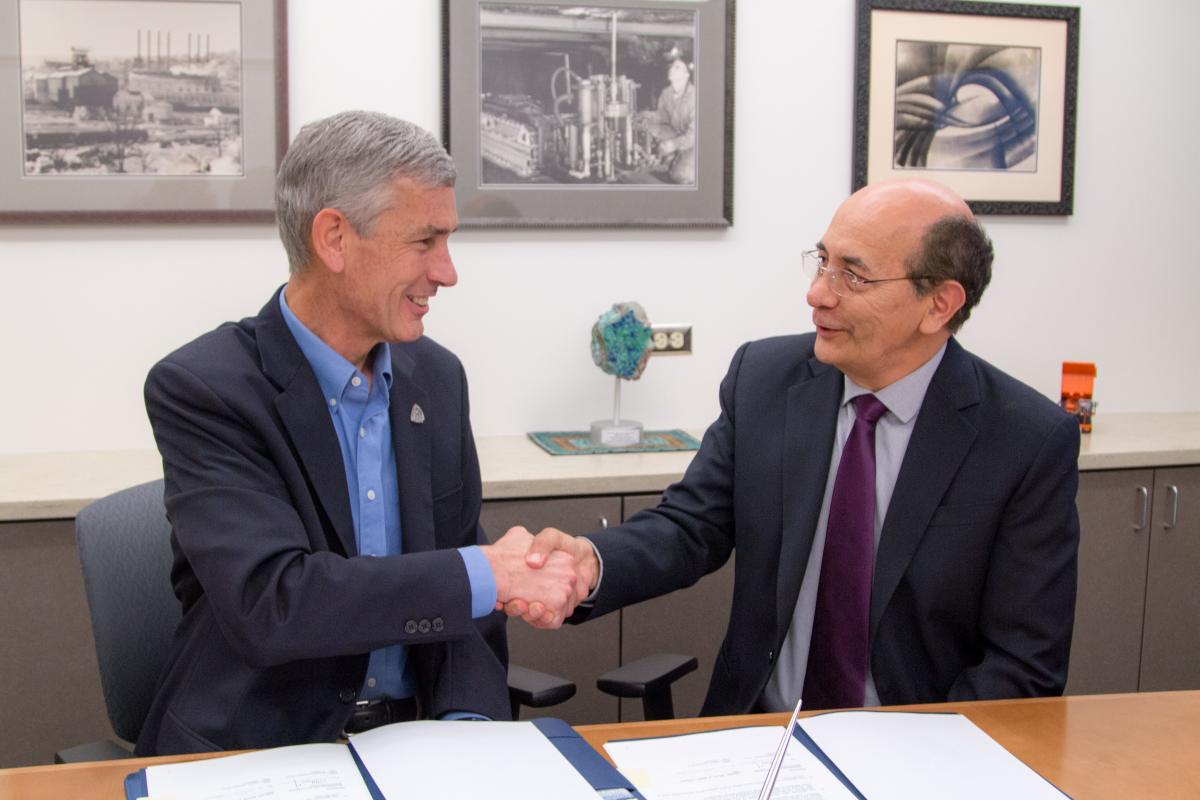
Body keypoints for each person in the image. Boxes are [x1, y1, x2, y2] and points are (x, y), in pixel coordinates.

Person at [512, 179, 1080, 714]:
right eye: (823, 262)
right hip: (759, 736)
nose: (816, 294)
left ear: (939, 304)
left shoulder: (1024, 440)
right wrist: (594, 561)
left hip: (917, 757)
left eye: (853, 276)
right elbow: (692, 526)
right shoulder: (765, 379)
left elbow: (1025, 664)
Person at [138, 110, 581, 755]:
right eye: (425, 241)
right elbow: (274, 604)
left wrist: (468, 730)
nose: (448, 272)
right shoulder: (206, 389)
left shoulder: (437, 378)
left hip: (418, 743)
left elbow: (468, 610)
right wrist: (488, 573)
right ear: (335, 239)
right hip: (260, 750)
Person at [641, 56, 696, 184]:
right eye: (672, 66)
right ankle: (670, 159)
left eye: (678, 67)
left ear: (686, 75)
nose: (672, 69)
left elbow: (695, 135)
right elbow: (664, 115)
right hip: (677, 133)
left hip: (694, 142)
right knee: (650, 128)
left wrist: (673, 144)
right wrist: (648, 116)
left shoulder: (695, 96)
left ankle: (674, 160)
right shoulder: (666, 93)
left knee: (680, 176)